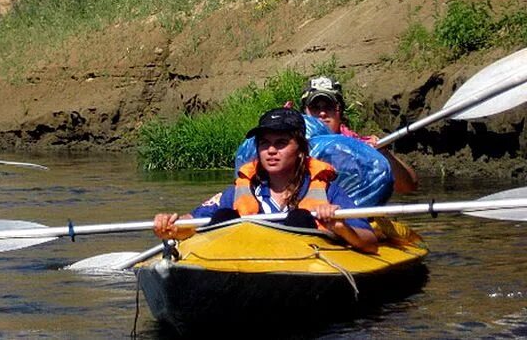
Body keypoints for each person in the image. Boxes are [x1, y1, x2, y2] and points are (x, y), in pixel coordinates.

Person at [154, 108, 378, 254]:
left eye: (281, 143)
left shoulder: (328, 190)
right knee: (224, 217)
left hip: (299, 271)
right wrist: (171, 226)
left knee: (300, 219)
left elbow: (369, 242)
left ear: (300, 150)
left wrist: (338, 226)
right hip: (246, 266)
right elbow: (192, 222)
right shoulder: (242, 190)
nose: (271, 151)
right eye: (264, 143)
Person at [300, 76, 418, 194]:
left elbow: (408, 188)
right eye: (315, 107)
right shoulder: (291, 146)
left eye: (329, 106)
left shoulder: (361, 148)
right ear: (305, 111)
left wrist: (384, 155)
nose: (322, 113)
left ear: (339, 110)